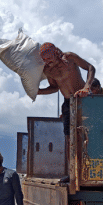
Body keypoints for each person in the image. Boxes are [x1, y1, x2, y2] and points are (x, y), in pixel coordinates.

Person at [37, 42, 96, 182]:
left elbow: (90, 68)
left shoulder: (70, 58)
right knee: (70, 139)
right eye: (44, 60)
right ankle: (72, 174)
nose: (47, 62)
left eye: (49, 58)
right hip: (68, 103)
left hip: (84, 100)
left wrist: (87, 88)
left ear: (56, 53)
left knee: (90, 135)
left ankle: (92, 169)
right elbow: (54, 88)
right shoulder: (48, 70)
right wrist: (38, 92)